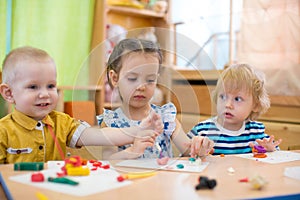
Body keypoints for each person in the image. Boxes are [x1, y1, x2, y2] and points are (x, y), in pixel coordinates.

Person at [0, 46, 164, 164]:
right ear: (9, 93)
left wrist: (138, 131)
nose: (45, 94)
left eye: (51, 86)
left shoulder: (63, 123)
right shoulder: (3, 131)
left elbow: (100, 135)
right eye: (33, 87)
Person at [97, 38, 214, 160]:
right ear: (115, 78)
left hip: (164, 178)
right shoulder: (111, 122)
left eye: (150, 80)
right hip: (129, 178)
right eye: (132, 78)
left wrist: (199, 146)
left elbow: (189, 151)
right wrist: (132, 151)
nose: (141, 86)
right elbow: (108, 160)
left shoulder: (165, 116)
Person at [187, 63, 282, 155]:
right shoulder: (202, 131)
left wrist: (269, 150)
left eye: (237, 99)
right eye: (223, 97)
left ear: (255, 105)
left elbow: (274, 156)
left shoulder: (256, 132)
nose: (228, 105)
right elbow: (183, 156)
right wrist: (196, 151)